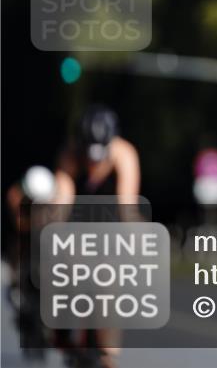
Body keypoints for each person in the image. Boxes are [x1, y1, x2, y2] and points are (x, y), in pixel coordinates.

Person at [53, 104, 141, 368]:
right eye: (88, 155)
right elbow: (61, 203)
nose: (93, 163)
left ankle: (108, 355)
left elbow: (127, 207)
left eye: (99, 156)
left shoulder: (125, 155)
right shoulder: (69, 155)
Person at [6, 166, 57, 363]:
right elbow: (19, 225)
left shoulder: (54, 197)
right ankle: (15, 285)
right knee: (19, 246)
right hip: (24, 238)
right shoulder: (15, 195)